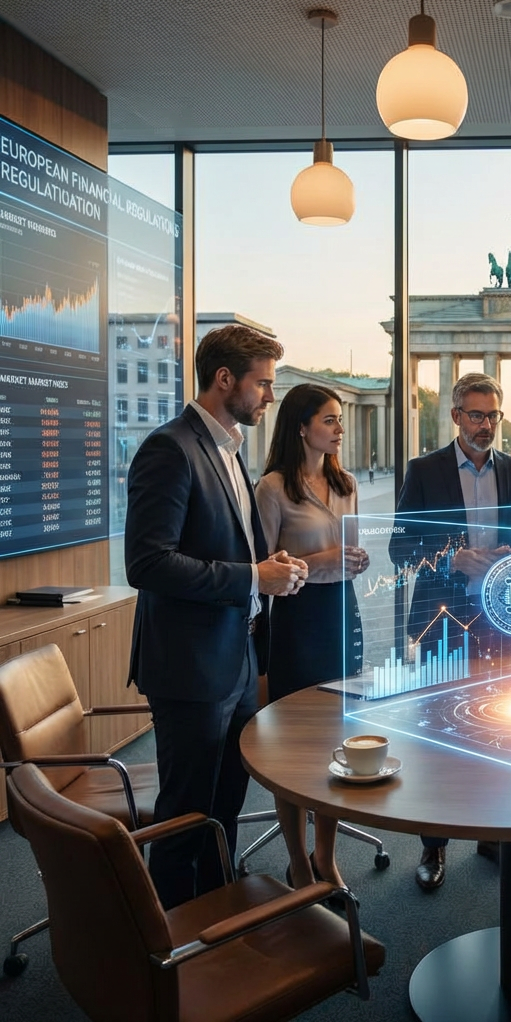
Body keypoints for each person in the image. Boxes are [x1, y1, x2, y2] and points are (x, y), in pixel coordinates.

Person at [126, 324, 308, 909]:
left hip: (237, 658)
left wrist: (269, 566)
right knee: (186, 816)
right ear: (225, 379)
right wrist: (254, 577)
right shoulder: (170, 448)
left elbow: (227, 547)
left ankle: (217, 918)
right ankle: (170, 943)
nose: (271, 396)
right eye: (263, 383)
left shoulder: (230, 449)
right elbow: (148, 563)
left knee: (224, 807)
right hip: (191, 668)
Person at [389, 372, 511, 891]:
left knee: (499, 730)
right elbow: (400, 549)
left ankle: (493, 832)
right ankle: (434, 844)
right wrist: (454, 559)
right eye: (476, 415)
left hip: (500, 621)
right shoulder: (424, 471)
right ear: (456, 416)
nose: (486, 425)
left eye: (493, 415)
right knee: (440, 735)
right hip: (441, 622)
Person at [255, 383, 369, 895]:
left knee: (337, 740)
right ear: (301, 427)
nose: (339, 428)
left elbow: (351, 553)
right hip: (297, 622)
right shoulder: (272, 488)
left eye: (340, 419)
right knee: (296, 747)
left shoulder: (347, 483)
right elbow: (262, 567)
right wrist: (322, 562)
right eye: (329, 419)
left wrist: (355, 560)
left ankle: (326, 855)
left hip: (343, 613)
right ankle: (297, 860)